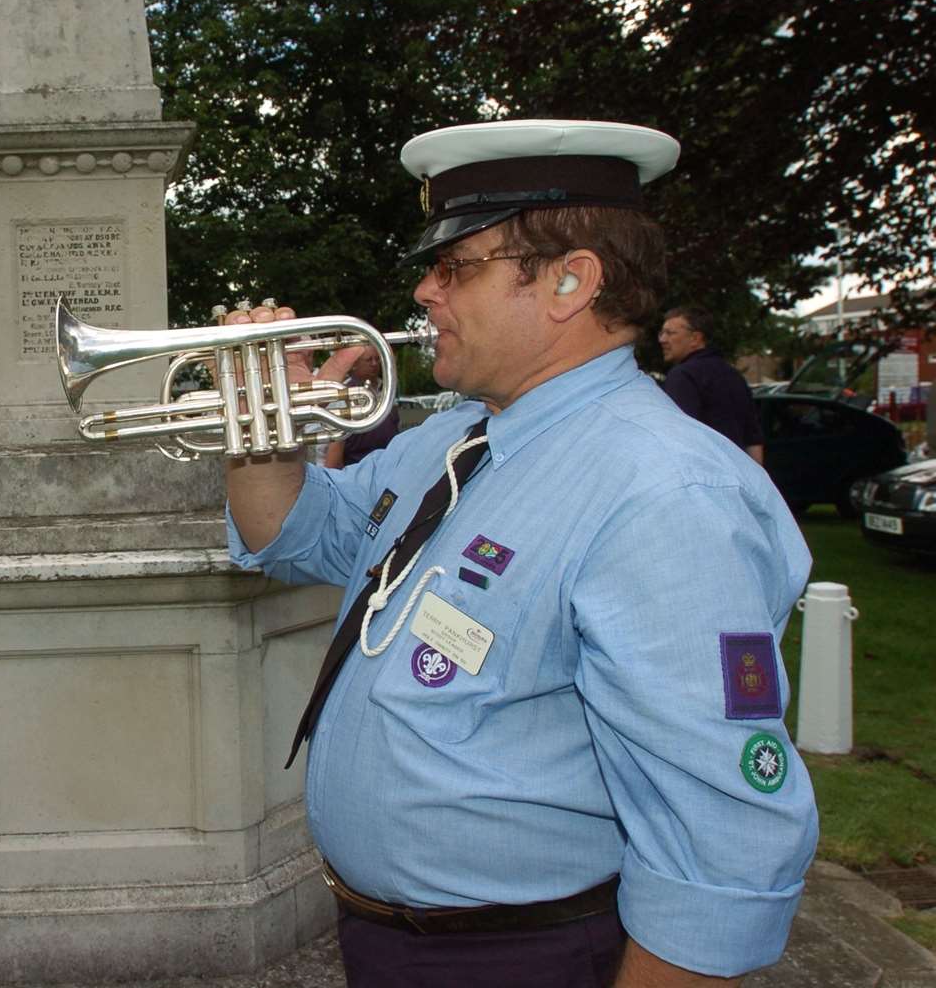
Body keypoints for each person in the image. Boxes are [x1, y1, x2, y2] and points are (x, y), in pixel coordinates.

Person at [225, 120, 816, 987]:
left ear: (571, 282)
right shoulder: (455, 438)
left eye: (454, 267)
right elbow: (294, 536)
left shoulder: (662, 492)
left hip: (525, 956)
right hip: (394, 942)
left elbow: (721, 839)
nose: (425, 292)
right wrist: (262, 432)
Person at [660, 306, 766, 464]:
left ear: (695, 338)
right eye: (661, 333)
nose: (662, 340)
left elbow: (678, 439)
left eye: (670, 333)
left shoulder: (683, 377)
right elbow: (753, 439)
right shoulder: (734, 376)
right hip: (739, 477)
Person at [322, 350, 400, 469]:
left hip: (389, 469)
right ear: (354, 365)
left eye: (377, 359)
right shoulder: (342, 395)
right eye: (369, 360)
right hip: (357, 473)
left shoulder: (387, 390)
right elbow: (332, 458)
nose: (374, 364)